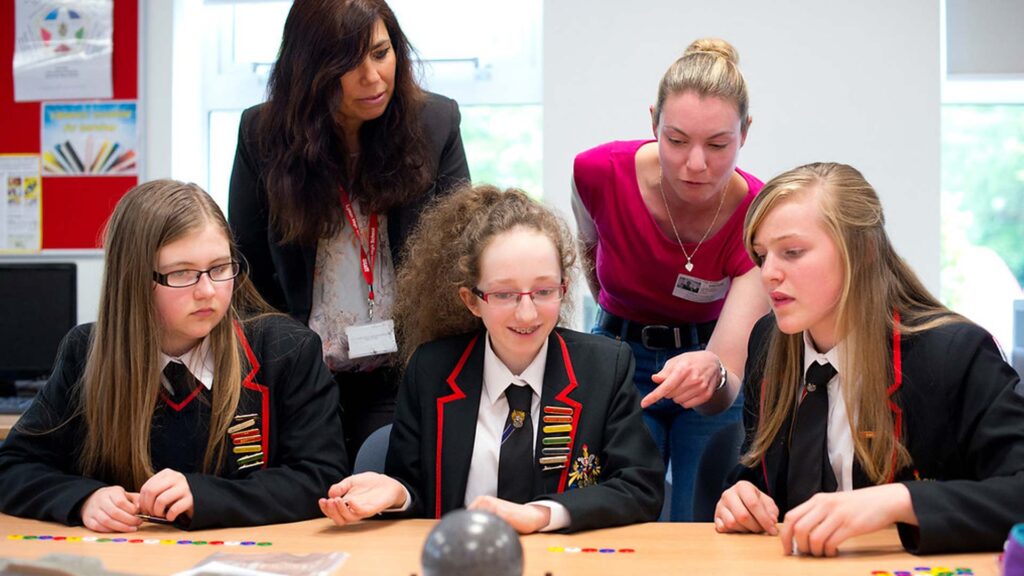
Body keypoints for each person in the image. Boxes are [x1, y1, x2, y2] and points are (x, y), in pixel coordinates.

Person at [0, 180, 347, 532]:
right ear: (134, 278)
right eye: (182, 273)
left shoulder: (286, 349)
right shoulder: (85, 351)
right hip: (125, 556)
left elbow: (321, 477)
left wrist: (206, 497)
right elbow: (13, 467)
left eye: (220, 268)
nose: (207, 291)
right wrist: (83, 499)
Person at [715, 162, 1024, 555]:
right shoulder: (768, 341)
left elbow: (1017, 490)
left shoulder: (955, 354)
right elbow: (763, 472)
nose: (768, 274)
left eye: (792, 252)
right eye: (761, 256)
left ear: (862, 252)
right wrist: (742, 497)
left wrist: (900, 501)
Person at [318, 184, 664, 533]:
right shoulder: (432, 370)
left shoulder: (603, 367)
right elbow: (416, 491)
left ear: (564, 287)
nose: (527, 313)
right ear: (472, 300)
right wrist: (398, 494)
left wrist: (542, 514)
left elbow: (640, 488)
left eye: (544, 291)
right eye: (504, 294)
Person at [228, 0, 470, 463]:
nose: (373, 77)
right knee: (306, 488)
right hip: (301, 371)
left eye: (381, 53)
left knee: (385, 480)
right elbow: (247, 268)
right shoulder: (263, 134)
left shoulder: (434, 124)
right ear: (310, 69)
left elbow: (457, 256)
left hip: (404, 368)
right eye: (349, 62)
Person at [571, 37, 769, 521]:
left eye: (718, 145)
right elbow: (589, 253)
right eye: (676, 141)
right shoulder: (597, 173)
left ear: (745, 133)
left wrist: (712, 373)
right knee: (625, 514)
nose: (695, 164)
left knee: (705, 516)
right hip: (618, 355)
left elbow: (727, 381)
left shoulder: (758, 214)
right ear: (653, 122)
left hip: (710, 352)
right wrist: (618, 320)